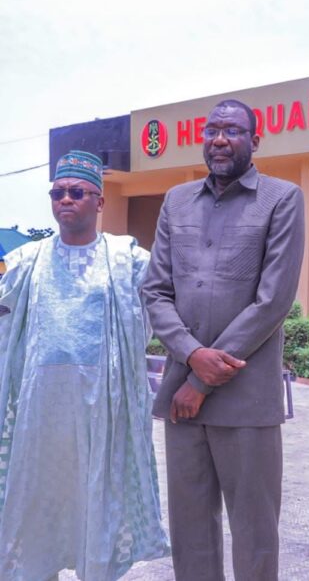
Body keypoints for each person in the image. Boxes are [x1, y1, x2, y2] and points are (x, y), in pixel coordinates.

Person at [143, 99, 305, 581]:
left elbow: (273, 301)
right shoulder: (176, 200)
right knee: (190, 530)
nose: (219, 139)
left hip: (246, 399)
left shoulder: (282, 198)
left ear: (255, 141)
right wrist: (191, 357)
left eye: (232, 131)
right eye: (212, 130)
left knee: (254, 532)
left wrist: (203, 379)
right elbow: (155, 289)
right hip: (182, 400)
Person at [0, 150, 169, 580]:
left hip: (104, 416)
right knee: (38, 507)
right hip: (39, 418)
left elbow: (165, 307)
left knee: (97, 504)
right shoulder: (26, 261)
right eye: (58, 193)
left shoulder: (128, 259)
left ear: (99, 201)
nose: (65, 200)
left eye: (77, 192)